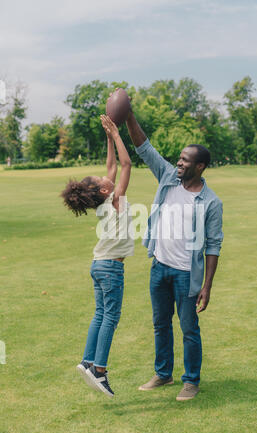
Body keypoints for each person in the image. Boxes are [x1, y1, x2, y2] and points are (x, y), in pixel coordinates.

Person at [125, 105, 224, 401]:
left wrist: (207, 285)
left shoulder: (211, 202)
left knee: (189, 329)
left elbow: (214, 246)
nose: (178, 163)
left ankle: (191, 381)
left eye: (185, 160)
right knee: (160, 323)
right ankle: (163, 374)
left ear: (200, 166)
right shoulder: (168, 177)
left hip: (187, 275)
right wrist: (129, 115)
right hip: (160, 267)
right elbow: (144, 147)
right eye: (179, 159)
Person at [60, 115, 134, 398]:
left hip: (98, 264)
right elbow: (125, 165)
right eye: (103, 179)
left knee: (100, 313)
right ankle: (99, 370)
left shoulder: (106, 199)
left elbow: (112, 165)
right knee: (110, 317)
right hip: (111, 269)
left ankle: (87, 361)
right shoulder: (115, 199)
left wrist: (107, 136)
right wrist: (116, 134)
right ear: (105, 189)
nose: (107, 175)